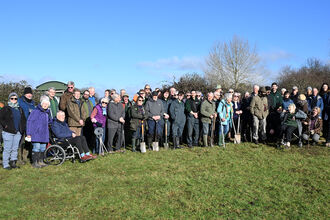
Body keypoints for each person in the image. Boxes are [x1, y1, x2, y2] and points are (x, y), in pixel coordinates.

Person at [0, 93, 26, 170]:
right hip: (8, 132)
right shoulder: (6, 108)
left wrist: (22, 128)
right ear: (9, 99)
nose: (14, 100)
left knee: (15, 148)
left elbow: (23, 120)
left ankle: (13, 162)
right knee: (7, 148)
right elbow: (1, 118)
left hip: (17, 132)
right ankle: (5, 164)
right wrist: (5, 126)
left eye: (15, 98)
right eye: (12, 98)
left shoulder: (20, 109)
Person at [26, 96, 52, 168]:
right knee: (36, 147)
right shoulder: (35, 111)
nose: (45, 105)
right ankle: (35, 163)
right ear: (41, 104)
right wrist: (29, 133)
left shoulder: (47, 113)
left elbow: (49, 122)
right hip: (36, 133)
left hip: (44, 134)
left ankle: (41, 161)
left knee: (43, 148)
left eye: (47, 104)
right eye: (44, 103)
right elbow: (29, 122)